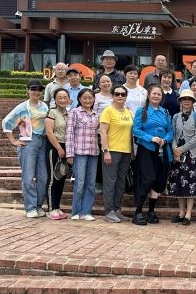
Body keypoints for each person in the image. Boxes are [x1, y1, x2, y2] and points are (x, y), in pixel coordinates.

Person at [2, 79, 49, 218]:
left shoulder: (44, 106)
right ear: (27, 90)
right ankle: (30, 207)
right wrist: (13, 141)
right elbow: (6, 122)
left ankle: (38, 205)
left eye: (39, 89)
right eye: (33, 89)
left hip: (43, 142)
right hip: (29, 142)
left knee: (43, 177)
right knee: (28, 176)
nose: (36, 92)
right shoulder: (22, 107)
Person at [132, 85, 173, 225]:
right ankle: (138, 212)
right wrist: (151, 138)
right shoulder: (142, 111)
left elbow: (170, 131)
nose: (156, 96)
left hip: (162, 150)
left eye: (159, 94)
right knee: (147, 179)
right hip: (146, 149)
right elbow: (136, 129)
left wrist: (165, 140)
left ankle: (151, 211)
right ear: (148, 95)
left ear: (162, 97)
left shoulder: (165, 112)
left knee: (159, 180)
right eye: (154, 93)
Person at [169, 89, 196, 225]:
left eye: (189, 99)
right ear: (181, 102)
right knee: (178, 182)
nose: (187, 101)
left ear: (193, 102)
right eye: (184, 99)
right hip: (178, 155)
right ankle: (181, 212)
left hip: (192, 154)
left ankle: (188, 213)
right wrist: (175, 149)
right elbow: (173, 134)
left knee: (191, 183)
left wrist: (181, 149)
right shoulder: (176, 117)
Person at [99, 85, 134, 223]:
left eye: (123, 94)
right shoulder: (108, 111)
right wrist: (106, 151)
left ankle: (117, 209)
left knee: (120, 182)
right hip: (112, 151)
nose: (120, 96)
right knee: (110, 182)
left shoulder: (128, 112)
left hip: (126, 151)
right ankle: (109, 211)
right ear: (112, 96)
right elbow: (102, 132)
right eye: (117, 94)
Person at [66, 88, 99, 221]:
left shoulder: (96, 115)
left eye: (90, 98)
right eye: (84, 98)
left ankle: (86, 212)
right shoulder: (74, 112)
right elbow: (69, 134)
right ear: (79, 99)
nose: (87, 100)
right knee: (79, 183)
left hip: (93, 152)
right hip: (79, 152)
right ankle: (76, 211)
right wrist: (69, 154)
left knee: (91, 184)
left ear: (93, 99)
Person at [44, 88, 70, 220]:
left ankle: (57, 207)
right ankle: (51, 209)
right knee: (53, 179)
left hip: (66, 147)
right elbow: (49, 132)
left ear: (69, 99)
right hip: (54, 147)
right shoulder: (52, 112)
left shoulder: (68, 113)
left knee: (61, 178)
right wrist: (59, 148)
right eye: (59, 97)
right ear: (55, 99)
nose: (62, 100)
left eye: (65, 97)